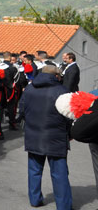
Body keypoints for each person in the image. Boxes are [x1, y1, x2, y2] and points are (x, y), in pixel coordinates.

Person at [19, 65, 72, 209]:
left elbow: (22, 110)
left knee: (34, 170)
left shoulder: (29, 88)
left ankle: (35, 200)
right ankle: (64, 206)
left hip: (33, 134)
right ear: (56, 76)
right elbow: (68, 115)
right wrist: (68, 132)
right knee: (59, 173)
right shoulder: (62, 90)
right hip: (56, 136)